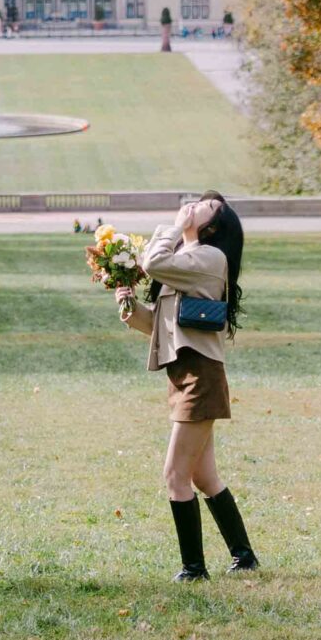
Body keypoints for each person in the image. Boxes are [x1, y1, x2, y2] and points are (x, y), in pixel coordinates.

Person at [117, 192, 257, 580]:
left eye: (206, 206)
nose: (195, 205)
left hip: (201, 378)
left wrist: (173, 226)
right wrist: (130, 309)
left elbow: (153, 261)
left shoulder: (211, 258)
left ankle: (194, 569)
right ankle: (244, 556)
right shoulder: (186, 264)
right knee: (202, 475)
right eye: (195, 200)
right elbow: (163, 326)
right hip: (185, 375)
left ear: (212, 227)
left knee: (174, 474)